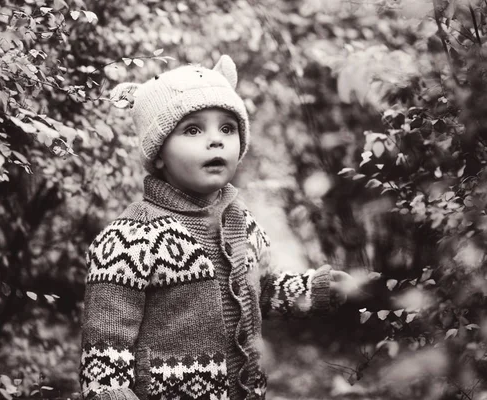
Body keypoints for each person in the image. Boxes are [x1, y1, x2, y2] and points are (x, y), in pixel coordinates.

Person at [79, 54, 355, 400]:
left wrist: (316, 290)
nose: (216, 140)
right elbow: (104, 350)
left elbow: (261, 291)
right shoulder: (130, 238)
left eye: (227, 128)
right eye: (193, 129)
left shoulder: (241, 222)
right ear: (158, 152)